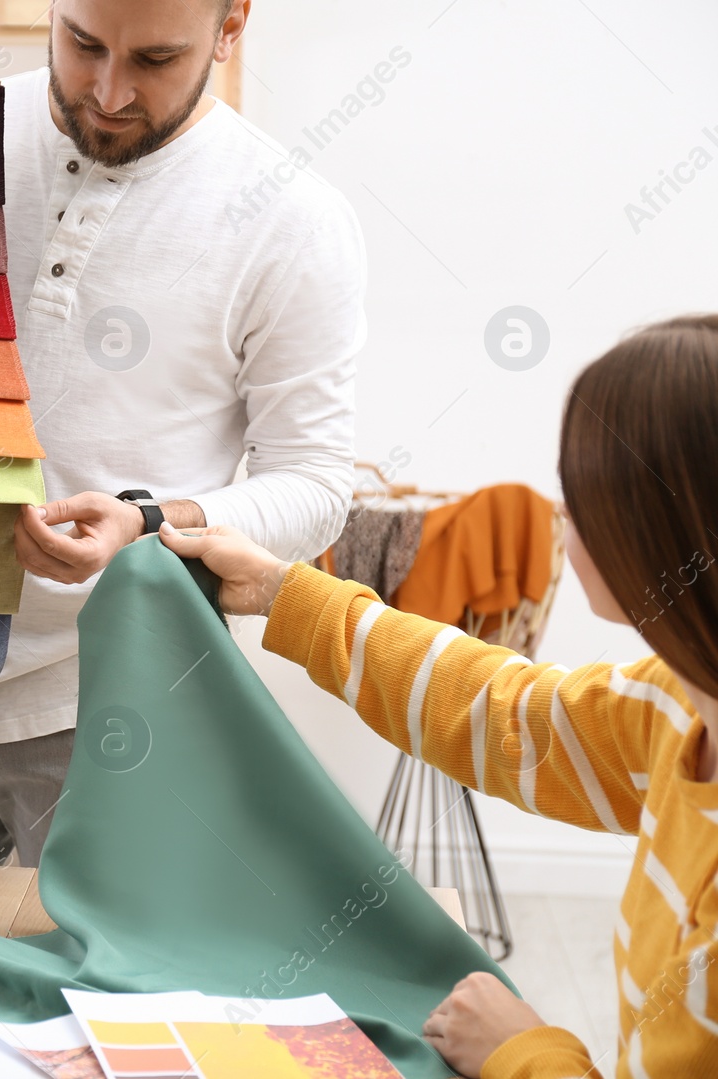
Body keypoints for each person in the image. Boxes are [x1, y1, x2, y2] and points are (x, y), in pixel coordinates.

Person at [0, 0, 364, 865]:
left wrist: (151, 523)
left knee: (93, 990)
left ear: (231, 26)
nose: (110, 92)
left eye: (155, 60)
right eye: (83, 44)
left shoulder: (293, 220)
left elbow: (315, 483)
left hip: (116, 687)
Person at [160, 315, 718, 1078]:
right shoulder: (678, 708)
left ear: (662, 523)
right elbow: (501, 711)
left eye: (580, 488)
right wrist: (277, 590)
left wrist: (522, 1047)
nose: (563, 515)